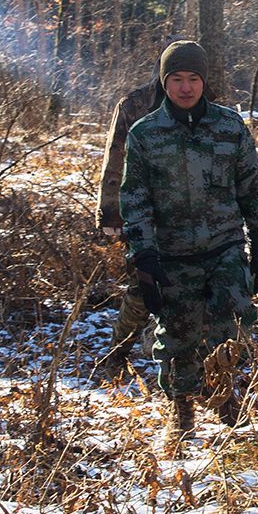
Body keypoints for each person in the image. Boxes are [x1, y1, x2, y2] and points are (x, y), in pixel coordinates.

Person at [120, 40, 258, 441]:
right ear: (164, 82)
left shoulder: (229, 127)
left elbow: (251, 185)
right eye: (176, 79)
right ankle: (182, 406)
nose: (185, 88)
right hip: (171, 253)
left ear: (204, 81)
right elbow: (134, 200)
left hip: (223, 245)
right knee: (178, 333)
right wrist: (144, 255)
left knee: (232, 320)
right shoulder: (145, 134)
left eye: (193, 79)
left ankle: (223, 395)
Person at [95, 74, 165, 378]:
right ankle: (117, 353)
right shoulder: (135, 105)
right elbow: (115, 159)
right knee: (142, 286)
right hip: (141, 210)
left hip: (191, 212)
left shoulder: (204, 98)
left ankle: (166, 345)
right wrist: (111, 215)